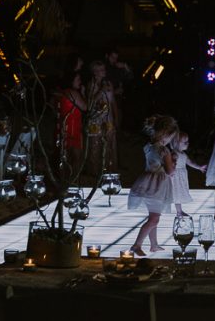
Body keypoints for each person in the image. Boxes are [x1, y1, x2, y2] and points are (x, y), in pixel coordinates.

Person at [128, 115, 178, 256]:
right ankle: (137, 245)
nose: (170, 141)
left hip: (147, 183)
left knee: (153, 216)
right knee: (154, 218)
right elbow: (170, 171)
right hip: (157, 186)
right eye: (170, 137)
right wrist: (174, 161)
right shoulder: (164, 151)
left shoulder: (148, 146)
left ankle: (154, 245)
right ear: (165, 135)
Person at [84, 60, 117, 170]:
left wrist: (116, 116)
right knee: (95, 144)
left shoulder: (108, 84)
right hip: (96, 119)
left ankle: (108, 167)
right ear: (95, 72)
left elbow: (112, 101)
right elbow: (90, 102)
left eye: (104, 69)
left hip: (108, 118)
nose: (104, 71)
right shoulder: (91, 85)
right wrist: (100, 91)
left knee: (109, 143)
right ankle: (94, 169)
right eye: (101, 70)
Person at [170, 131, 206, 217]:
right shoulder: (174, 154)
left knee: (179, 194)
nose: (187, 143)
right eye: (185, 142)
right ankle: (178, 211)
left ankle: (179, 211)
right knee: (175, 193)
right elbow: (170, 164)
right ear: (176, 143)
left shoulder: (183, 154)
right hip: (175, 176)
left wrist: (199, 167)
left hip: (181, 177)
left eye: (187, 141)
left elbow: (190, 162)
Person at [56, 72, 86, 172]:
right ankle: (74, 180)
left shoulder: (64, 92)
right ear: (71, 81)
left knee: (66, 156)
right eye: (78, 80)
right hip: (74, 129)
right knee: (76, 157)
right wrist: (83, 93)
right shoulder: (74, 93)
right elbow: (85, 107)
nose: (80, 82)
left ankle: (66, 178)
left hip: (65, 127)